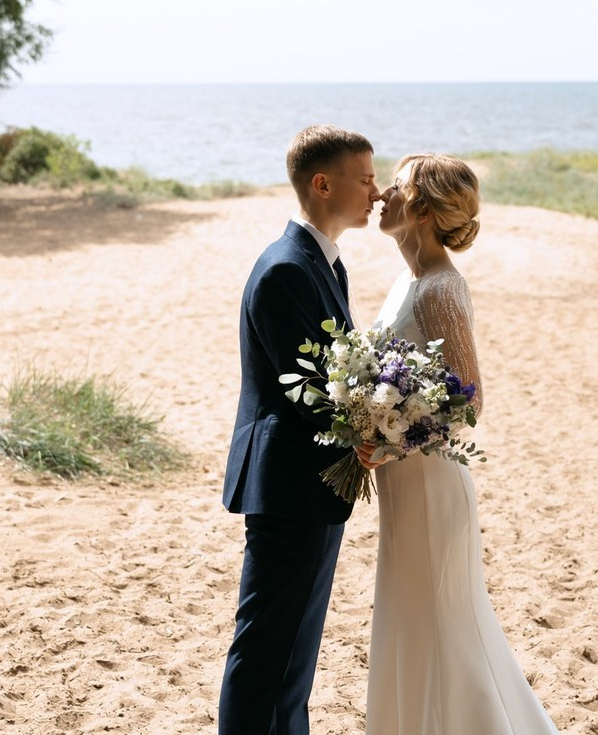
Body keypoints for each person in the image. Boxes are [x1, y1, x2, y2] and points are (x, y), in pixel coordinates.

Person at [365, 153, 560, 735]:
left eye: (395, 187)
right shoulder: (407, 282)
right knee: (414, 622)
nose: (381, 196)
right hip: (402, 485)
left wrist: (392, 441)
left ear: (422, 210)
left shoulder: (440, 289)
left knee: (444, 625)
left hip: (430, 486)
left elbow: (468, 400)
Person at [218, 125, 381, 735]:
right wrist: (372, 429)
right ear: (323, 184)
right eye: (365, 179)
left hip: (312, 484)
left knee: (293, 655)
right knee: (267, 649)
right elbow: (308, 390)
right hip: (288, 483)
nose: (376, 192)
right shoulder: (286, 269)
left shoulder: (324, 264)